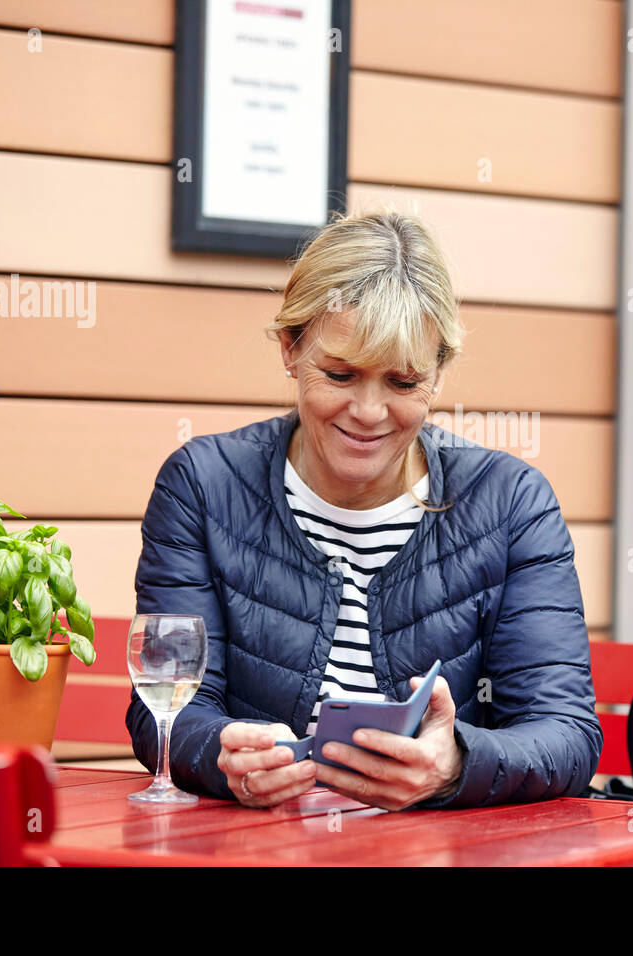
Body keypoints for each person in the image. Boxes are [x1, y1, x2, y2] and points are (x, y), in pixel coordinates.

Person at [126, 208, 602, 810]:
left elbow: (565, 733)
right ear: (290, 349)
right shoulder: (202, 485)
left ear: (439, 371)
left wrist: (456, 763)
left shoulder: (511, 503)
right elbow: (165, 713)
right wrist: (222, 753)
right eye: (341, 374)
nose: (370, 412)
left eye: (403, 383)